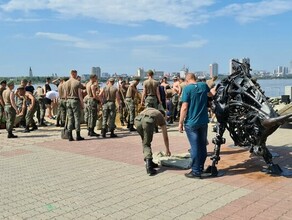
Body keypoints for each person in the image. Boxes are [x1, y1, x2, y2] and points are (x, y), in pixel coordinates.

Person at [178, 73, 211, 179]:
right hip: (203, 122)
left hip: (191, 123)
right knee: (202, 145)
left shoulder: (187, 89)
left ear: (187, 80)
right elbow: (211, 95)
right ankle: (200, 167)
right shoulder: (203, 85)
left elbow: (184, 107)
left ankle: (196, 171)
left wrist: (180, 123)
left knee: (195, 147)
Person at [135, 107, 171, 175]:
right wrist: (167, 149)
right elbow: (165, 136)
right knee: (146, 144)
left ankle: (149, 161)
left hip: (137, 120)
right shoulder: (160, 116)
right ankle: (149, 167)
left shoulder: (151, 109)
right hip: (147, 121)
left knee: (145, 142)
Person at [63, 69, 85, 141]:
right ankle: (78, 135)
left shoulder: (65, 83)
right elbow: (80, 95)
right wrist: (82, 104)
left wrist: (66, 102)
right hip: (75, 101)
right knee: (77, 118)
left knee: (70, 118)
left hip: (68, 101)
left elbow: (65, 95)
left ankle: (70, 136)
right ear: (74, 74)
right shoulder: (77, 82)